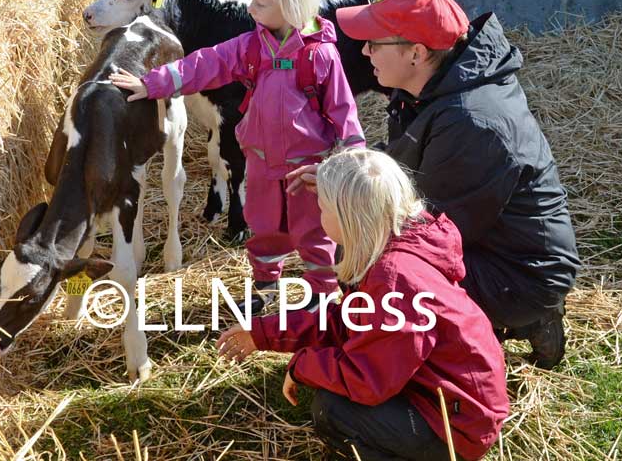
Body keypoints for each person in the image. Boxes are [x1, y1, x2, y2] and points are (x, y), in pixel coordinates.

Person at [289, 0, 580, 369]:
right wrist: (338, 176)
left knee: (365, 253)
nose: (363, 51)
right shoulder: (430, 88)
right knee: (357, 238)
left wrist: (352, 211)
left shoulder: (473, 122)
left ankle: (504, 324)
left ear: (416, 52)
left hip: (518, 272)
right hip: (484, 240)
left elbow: (435, 235)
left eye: (375, 43)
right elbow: (406, 166)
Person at [110, 0, 365, 314]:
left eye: (260, 3)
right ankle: (265, 288)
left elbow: (343, 109)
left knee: (314, 233)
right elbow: (206, 63)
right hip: (260, 160)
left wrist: (355, 153)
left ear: (291, 8)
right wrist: (152, 84)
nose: (250, 8)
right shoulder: (250, 46)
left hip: (307, 169)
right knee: (263, 229)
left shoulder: (320, 56)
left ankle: (320, 298)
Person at [217, 148, 509, 461]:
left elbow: (368, 380)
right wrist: (262, 333)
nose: (319, 215)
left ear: (348, 218)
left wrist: (302, 367)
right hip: (447, 398)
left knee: (334, 411)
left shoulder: (395, 280)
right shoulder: (398, 245)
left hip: (456, 428)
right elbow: (346, 321)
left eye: (324, 208)